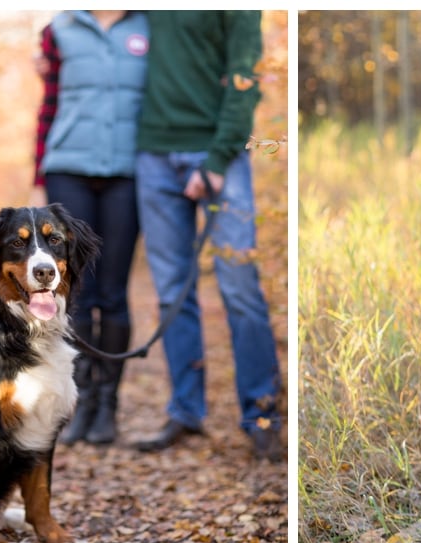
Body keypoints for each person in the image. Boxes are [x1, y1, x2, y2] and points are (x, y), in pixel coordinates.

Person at [131, 10, 284, 463]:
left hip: (220, 153)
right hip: (153, 156)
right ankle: (185, 411)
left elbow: (245, 77)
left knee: (239, 285)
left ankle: (261, 416)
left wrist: (217, 158)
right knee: (172, 290)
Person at [33, 10, 149, 446]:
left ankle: (108, 407)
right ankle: (78, 405)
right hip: (68, 170)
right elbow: (48, 104)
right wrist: (38, 168)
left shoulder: (150, 26)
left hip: (128, 172)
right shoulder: (58, 30)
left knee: (114, 292)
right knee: (73, 291)